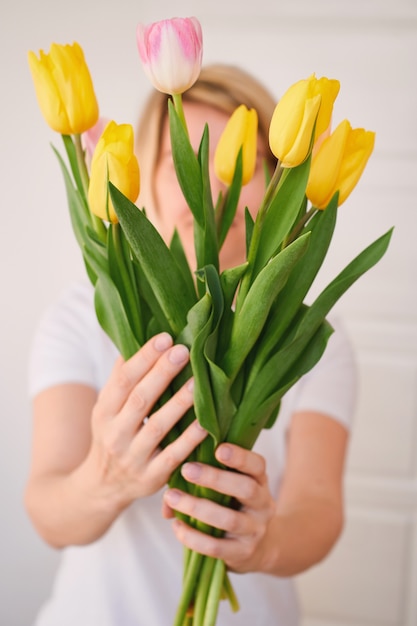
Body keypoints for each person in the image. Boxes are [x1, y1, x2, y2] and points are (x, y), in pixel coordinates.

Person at [26, 64, 357, 625]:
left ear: (284, 175)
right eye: (183, 160)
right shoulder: (82, 318)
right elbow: (49, 514)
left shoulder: (310, 334)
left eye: (243, 163)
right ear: (142, 177)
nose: (213, 185)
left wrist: (264, 542)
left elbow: (319, 510)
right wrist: (106, 478)